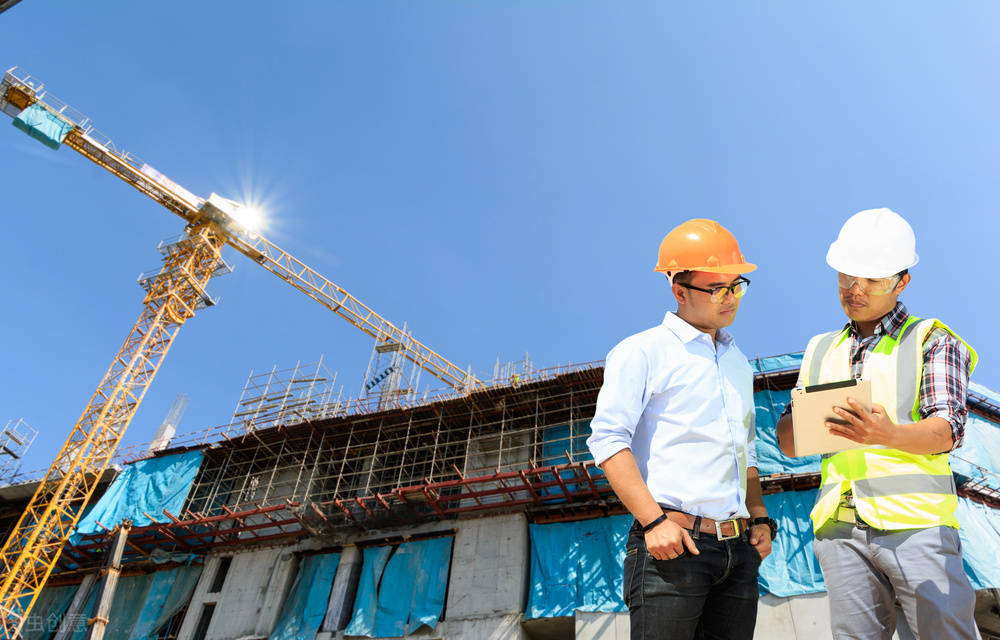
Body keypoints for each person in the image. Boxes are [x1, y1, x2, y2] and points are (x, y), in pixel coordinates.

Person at [776, 208, 979, 640]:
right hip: (841, 529)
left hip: (916, 525)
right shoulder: (819, 348)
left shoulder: (931, 339)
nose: (855, 289)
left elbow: (947, 430)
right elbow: (789, 442)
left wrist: (886, 434)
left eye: (872, 279)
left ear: (902, 281)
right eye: (847, 276)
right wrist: (807, 420)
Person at [587, 219, 775, 640]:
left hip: (738, 552)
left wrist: (760, 518)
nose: (730, 299)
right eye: (717, 289)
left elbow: (746, 453)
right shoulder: (642, 351)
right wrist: (653, 523)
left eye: (737, 285)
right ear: (679, 291)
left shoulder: (737, 362)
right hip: (671, 546)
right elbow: (608, 440)